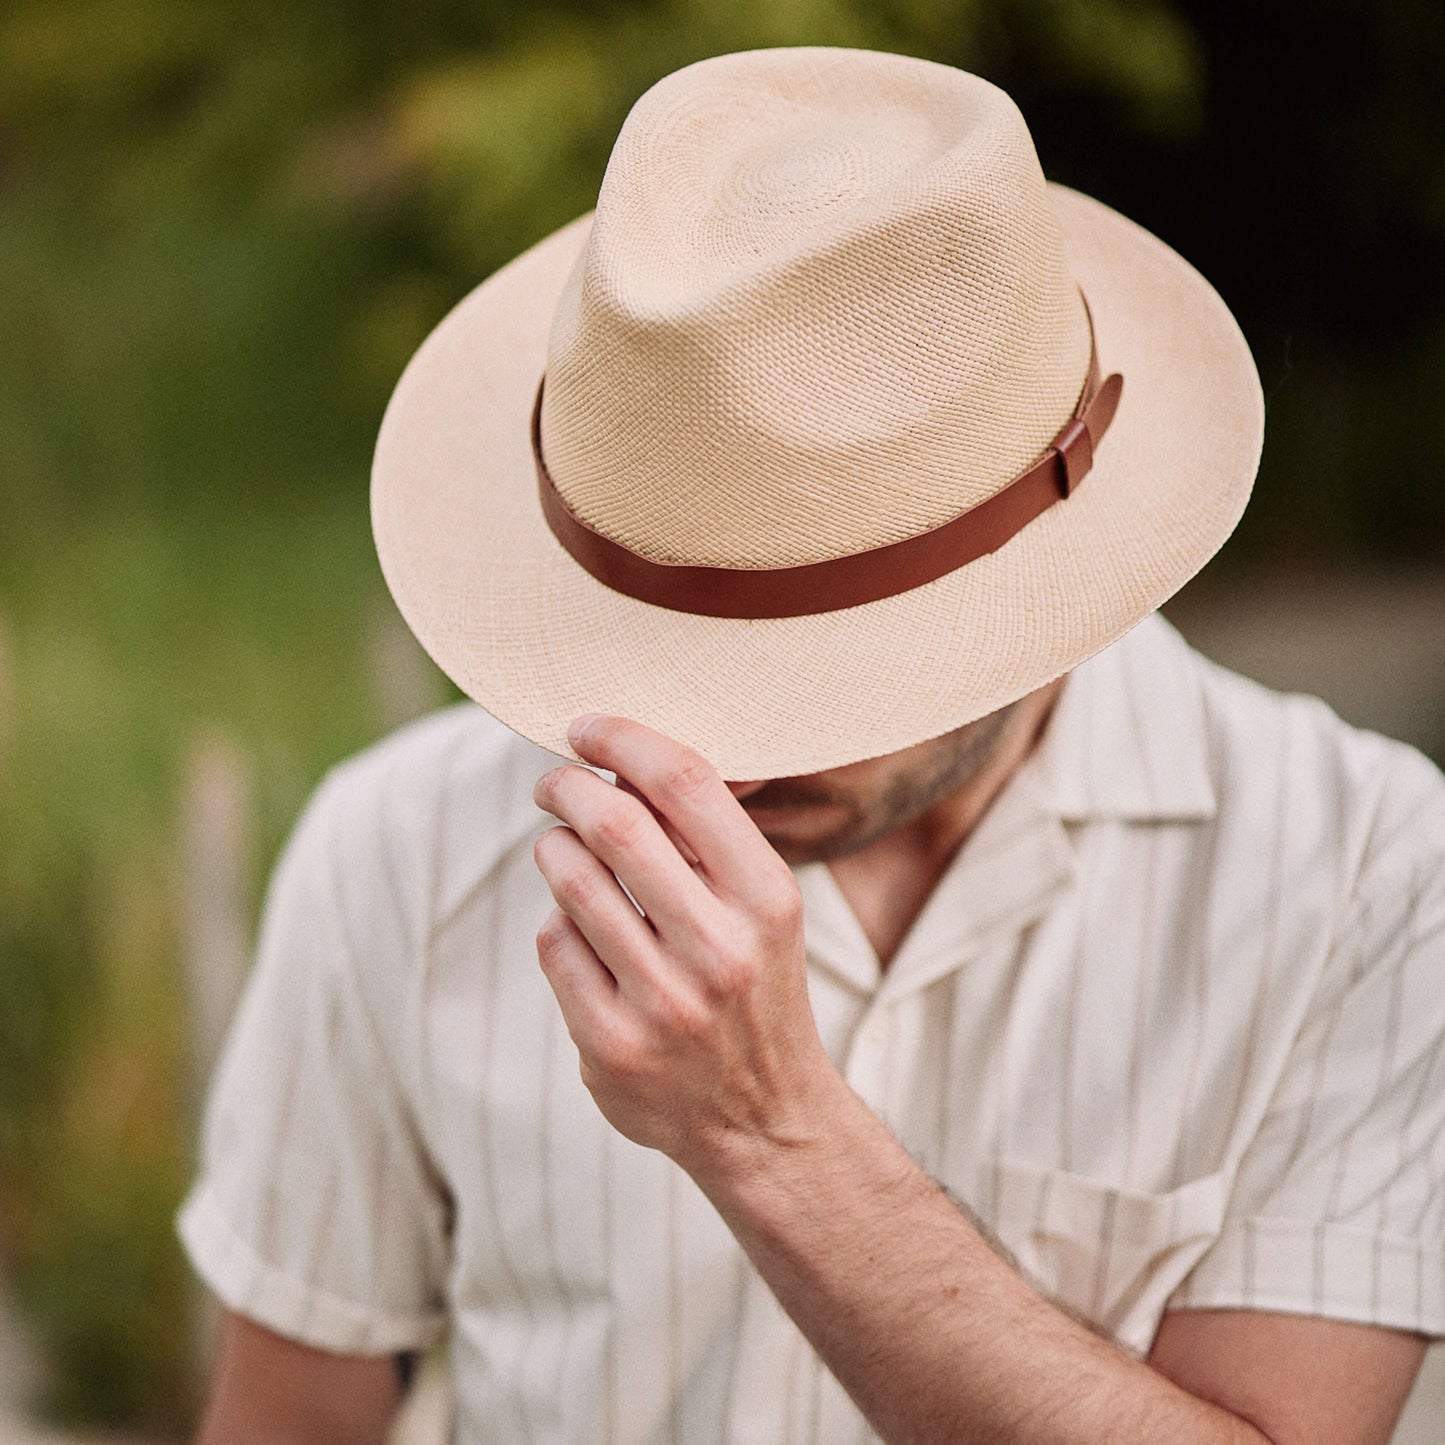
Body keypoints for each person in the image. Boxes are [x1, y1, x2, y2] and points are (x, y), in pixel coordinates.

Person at [183, 47, 1445, 1444]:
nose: (711, 744)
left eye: (797, 672)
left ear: (1027, 599)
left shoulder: (1360, 874)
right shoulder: (395, 860)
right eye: (665, 639)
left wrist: (769, 1133)